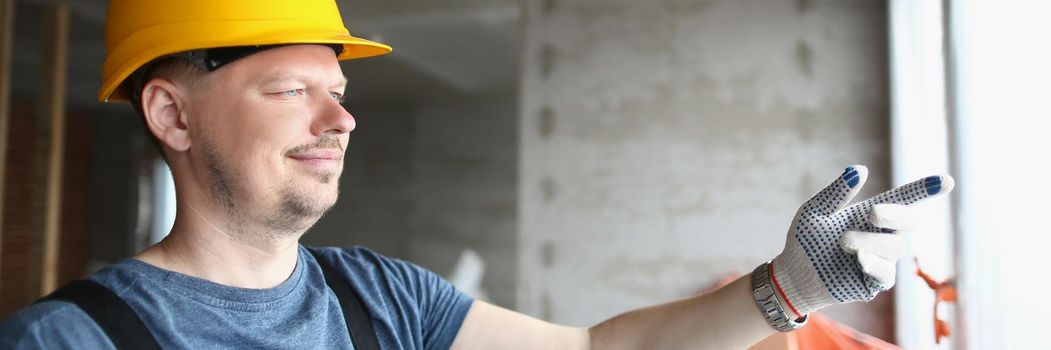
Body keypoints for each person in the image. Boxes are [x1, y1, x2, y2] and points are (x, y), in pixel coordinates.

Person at [0, 0, 954, 349]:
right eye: (291, 89)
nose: (341, 117)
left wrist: (786, 287)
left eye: (337, 90)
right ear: (169, 113)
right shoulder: (69, 342)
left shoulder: (378, 299)